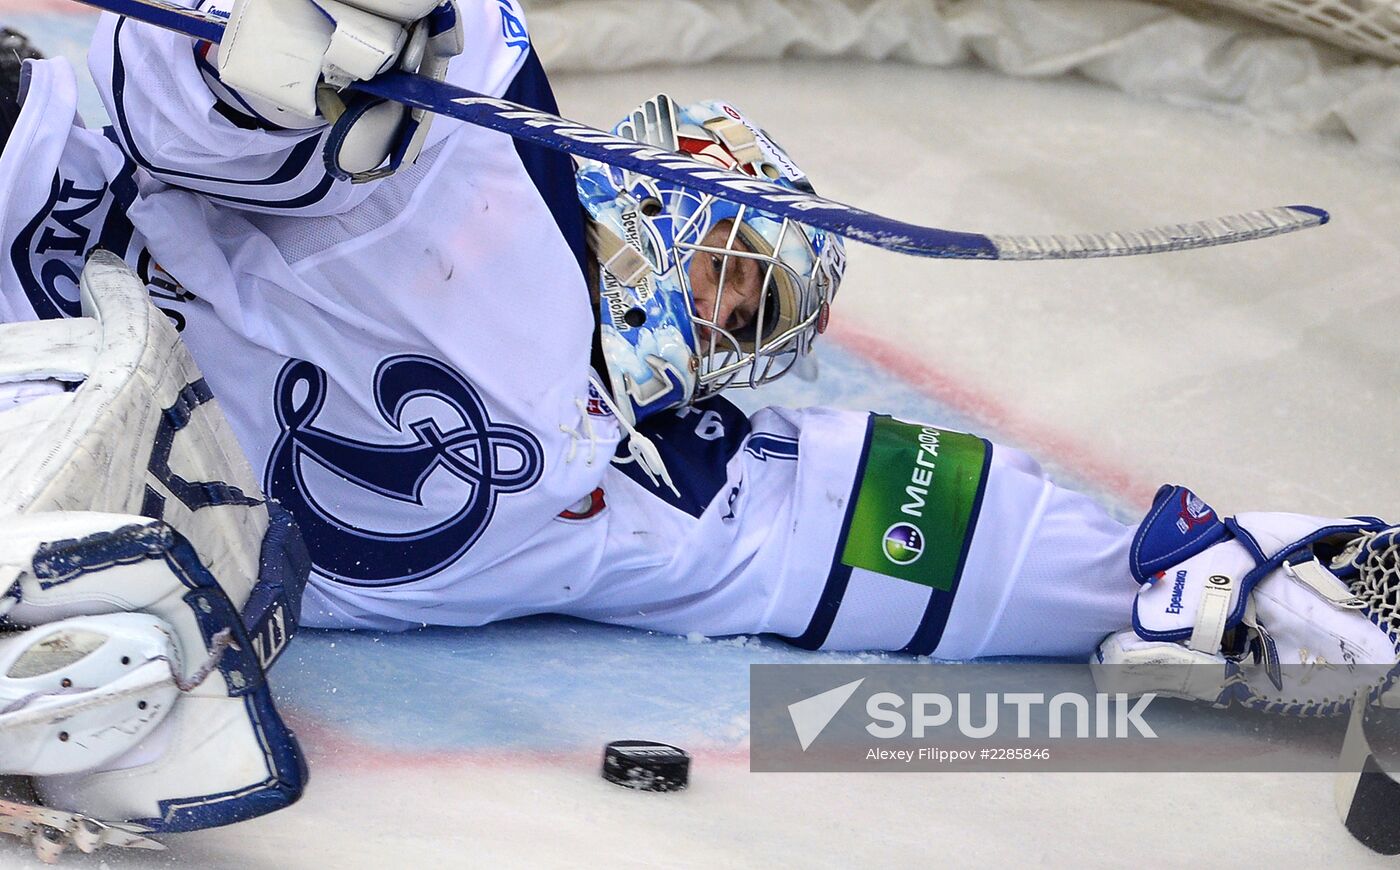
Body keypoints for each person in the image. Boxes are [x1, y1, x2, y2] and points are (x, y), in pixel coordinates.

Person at [0, 0, 1397, 856]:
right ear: (658, 180)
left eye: (750, 316)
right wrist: (260, 60)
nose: (719, 311)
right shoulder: (481, 161)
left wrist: (1206, 580)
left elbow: (879, 528)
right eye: (732, 262)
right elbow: (171, 111)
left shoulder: (646, 493)